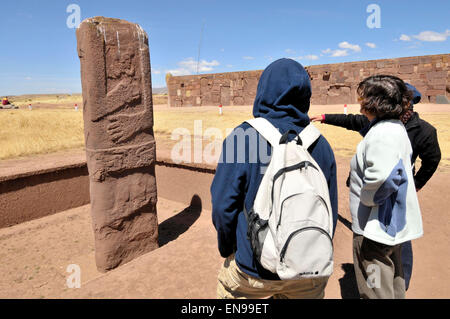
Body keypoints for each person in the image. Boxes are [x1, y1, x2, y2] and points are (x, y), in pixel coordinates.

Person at [211, 58, 338, 299]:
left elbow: (222, 206)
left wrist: (228, 248)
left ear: (264, 91)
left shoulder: (243, 137)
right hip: (308, 272)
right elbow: (329, 210)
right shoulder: (321, 145)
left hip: (253, 271)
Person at [310, 83, 441, 291]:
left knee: (394, 243)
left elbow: (433, 159)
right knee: (389, 245)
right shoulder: (379, 123)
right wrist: (324, 117)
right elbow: (351, 120)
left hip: (390, 198)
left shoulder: (422, 131)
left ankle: (395, 284)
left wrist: (416, 184)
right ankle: (392, 287)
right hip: (377, 195)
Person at [348, 75, 423, 299]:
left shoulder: (382, 134)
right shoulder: (394, 128)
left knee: (376, 288)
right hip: (389, 224)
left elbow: (382, 178)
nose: (360, 104)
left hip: (374, 228)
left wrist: (367, 198)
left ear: (374, 102)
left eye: (363, 98)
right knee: (394, 282)